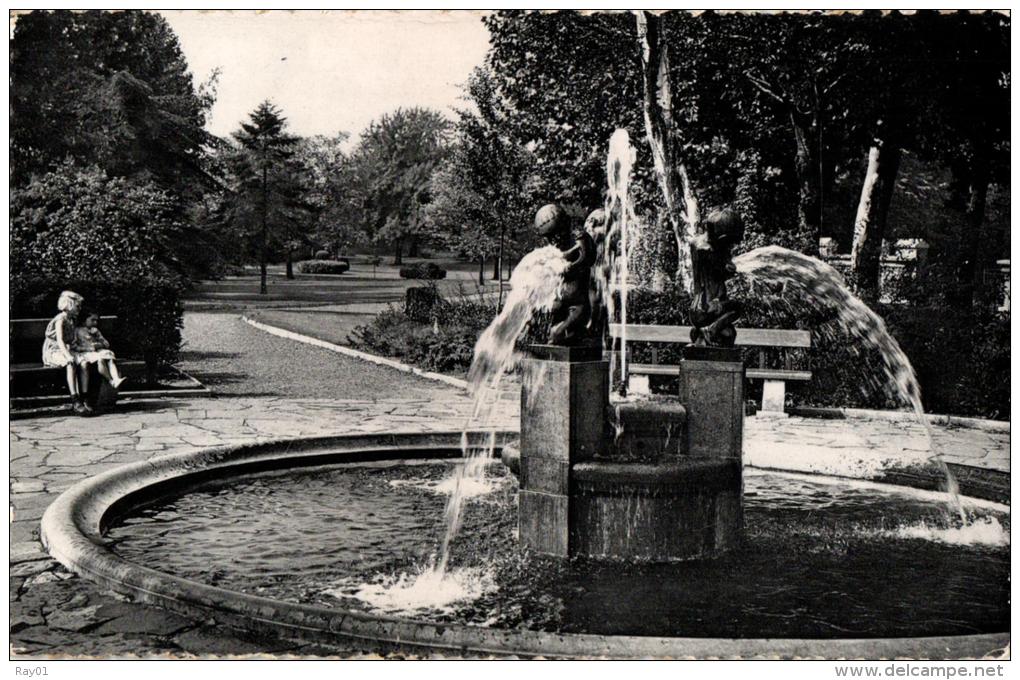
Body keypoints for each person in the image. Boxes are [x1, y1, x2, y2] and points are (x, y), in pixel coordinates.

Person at [534, 203, 597, 346]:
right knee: (537, 330)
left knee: (556, 336)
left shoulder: (580, 240)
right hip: (558, 304)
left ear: (562, 227)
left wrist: (561, 262)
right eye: (549, 237)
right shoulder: (554, 249)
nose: (553, 240)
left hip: (577, 307)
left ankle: (581, 336)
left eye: (555, 235)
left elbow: (584, 257)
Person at [42, 290, 91, 415]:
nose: (79, 309)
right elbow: (60, 341)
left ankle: (85, 397)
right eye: (77, 306)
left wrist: (83, 350)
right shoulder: (60, 319)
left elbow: (71, 341)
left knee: (84, 363)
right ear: (69, 305)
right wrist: (68, 356)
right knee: (71, 363)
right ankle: (75, 399)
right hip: (54, 350)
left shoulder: (71, 320)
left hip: (67, 348)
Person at [74, 311, 126, 389]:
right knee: (100, 360)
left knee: (109, 357)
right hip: (86, 353)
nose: (95, 323)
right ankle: (111, 381)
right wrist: (89, 348)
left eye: (96, 320)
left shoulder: (95, 330)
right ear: (84, 320)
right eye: (92, 320)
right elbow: (75, 346)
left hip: (98, 351)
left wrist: (98, 337)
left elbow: (107, 344)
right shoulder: (77, 331)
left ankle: (116, 379)